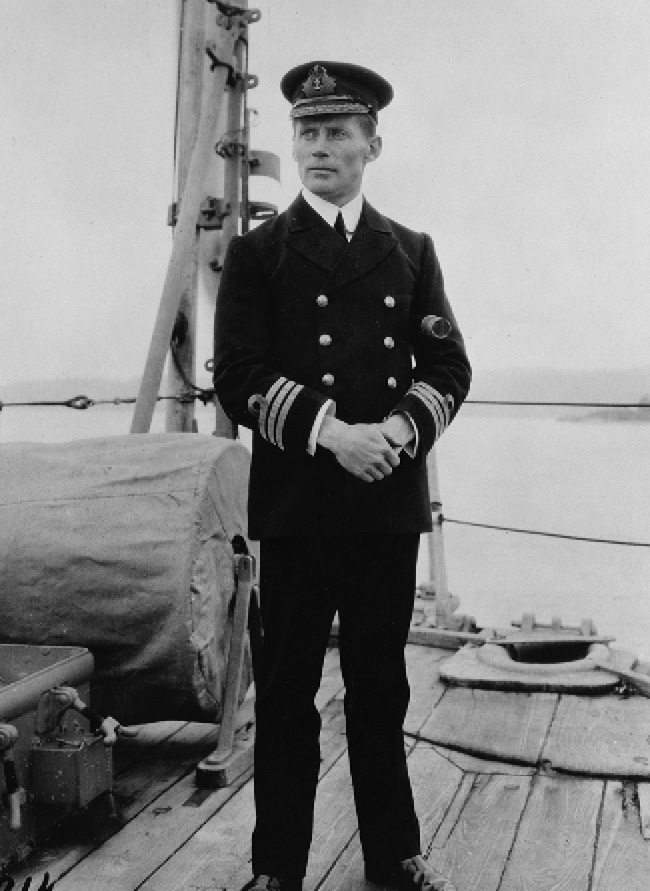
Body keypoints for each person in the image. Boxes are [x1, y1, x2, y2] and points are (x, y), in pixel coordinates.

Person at [213, 60, 471, 891]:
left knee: (378, 689)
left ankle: (395, 856)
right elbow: (238, 372)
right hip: (298, 507)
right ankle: (277, 870)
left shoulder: (411, 252)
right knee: (287, 695)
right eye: (307, 133)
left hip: (384, 511)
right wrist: (333, 434)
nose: (319, 148)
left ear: (372, 145)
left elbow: (450, 365)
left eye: (337, 134)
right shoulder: (259, 255)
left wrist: (397, 428)